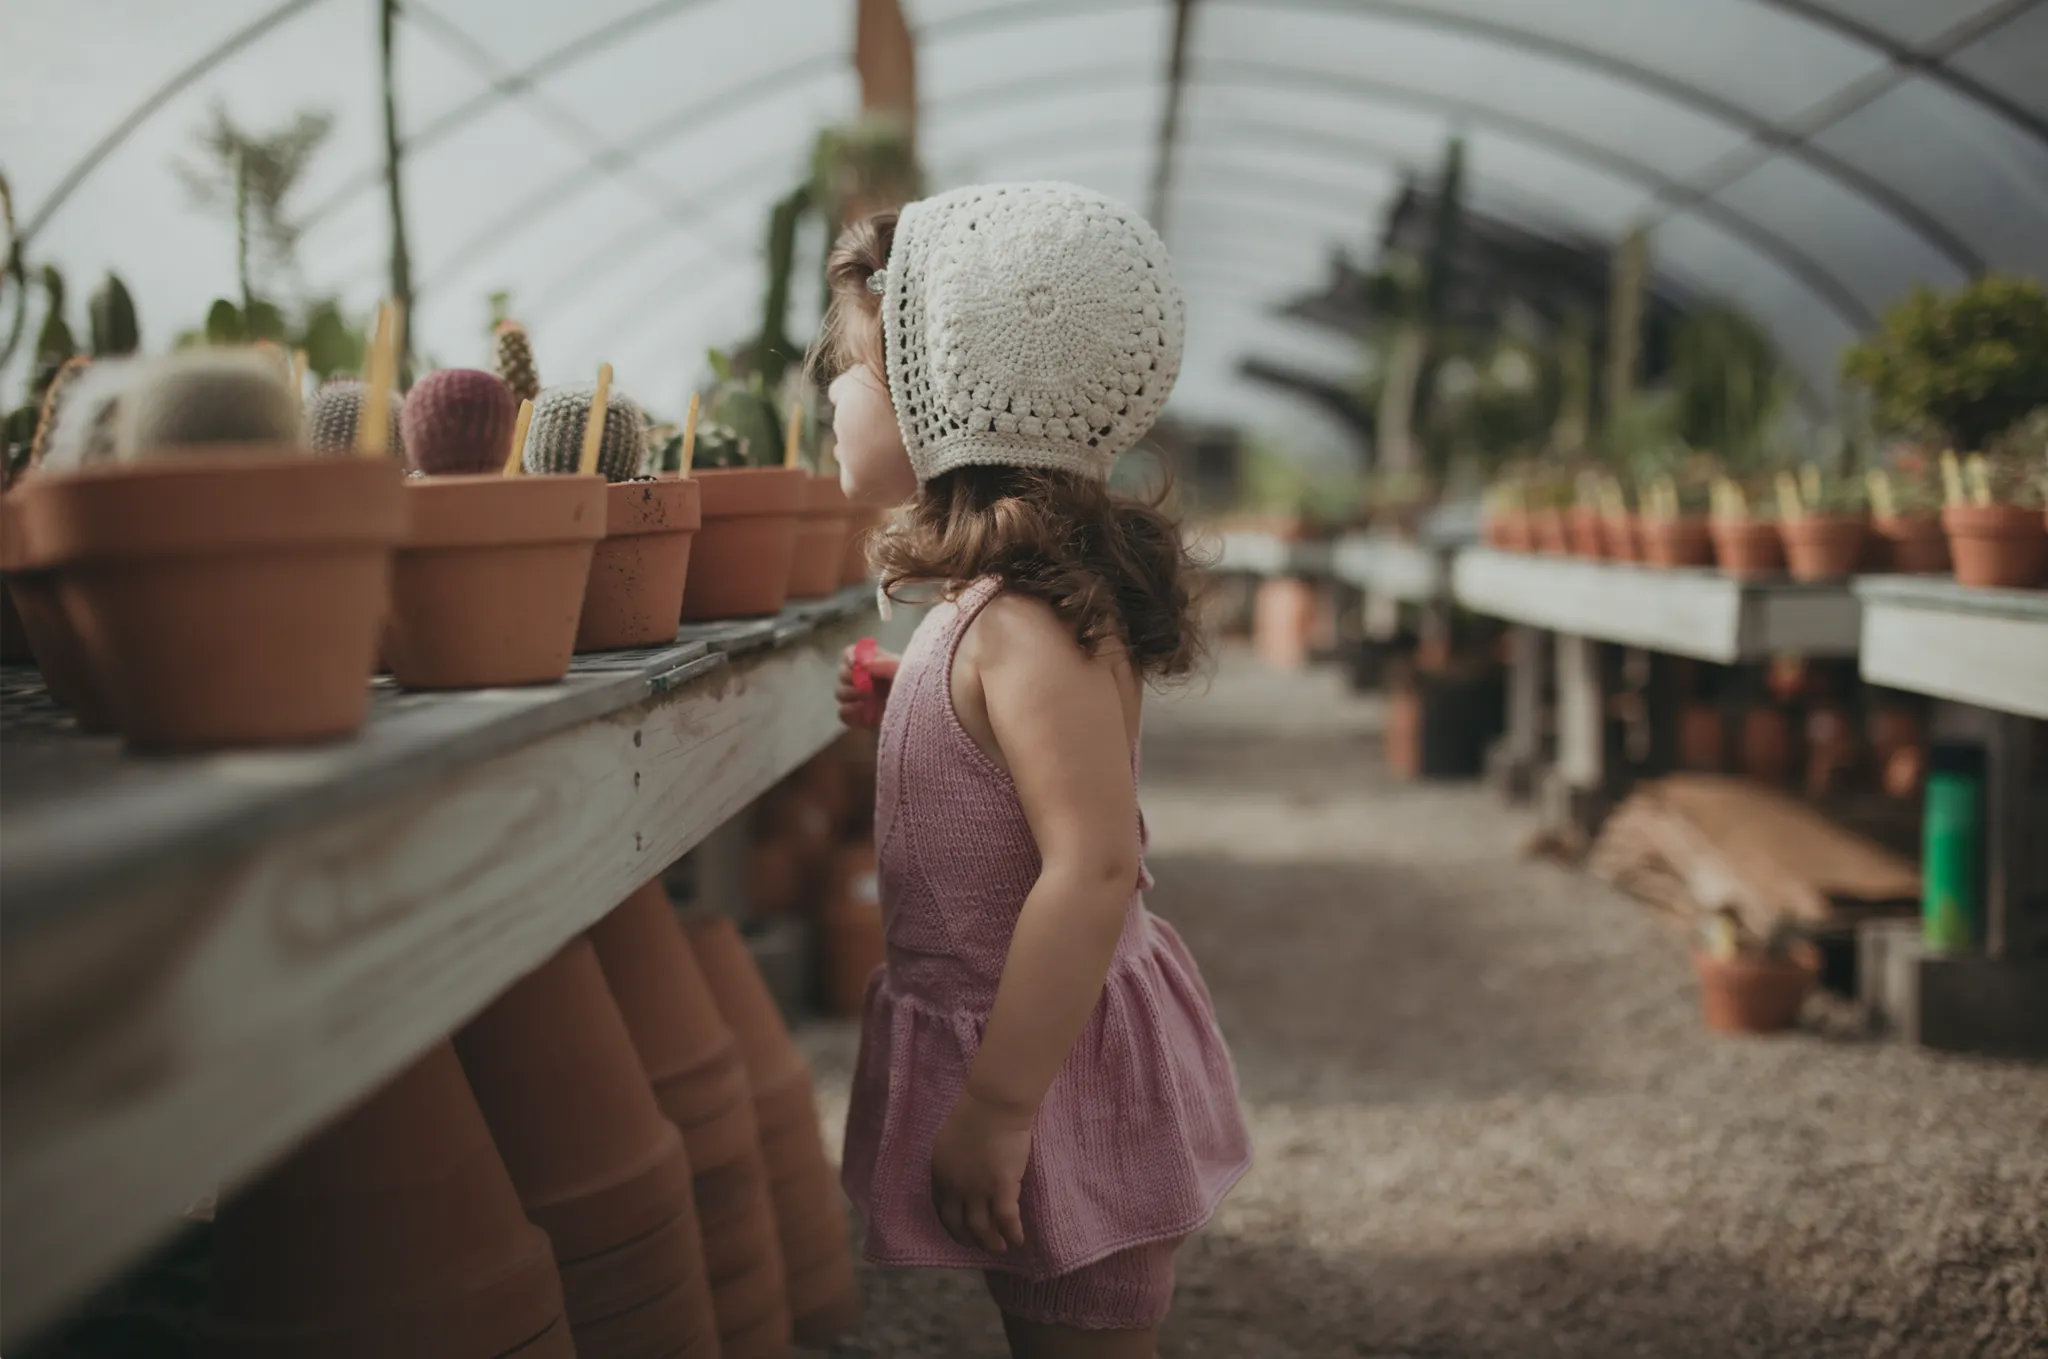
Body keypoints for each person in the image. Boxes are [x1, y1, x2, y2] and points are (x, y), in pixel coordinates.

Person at [813, 182, 1252, 1358]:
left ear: (936, 399)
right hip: (1035, 1036)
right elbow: (1016, 762)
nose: (828, 397)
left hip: (1047, 1063)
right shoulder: (998, 617)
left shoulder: (1020, 625)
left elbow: (1094, 865)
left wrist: (1000, 1109)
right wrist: (913, 709)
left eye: (845, 371)